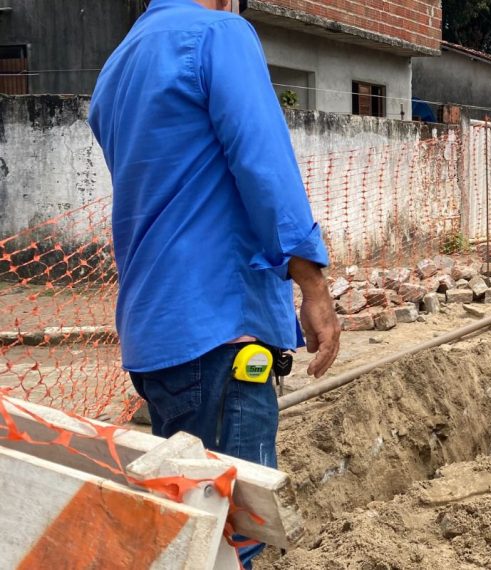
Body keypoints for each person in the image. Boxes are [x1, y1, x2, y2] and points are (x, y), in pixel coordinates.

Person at [88, 0, 340, 566]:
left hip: (156, 337)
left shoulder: (119, 64)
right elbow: (262, 162)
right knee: (229, 543)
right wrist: (313, 284)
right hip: (220, 330)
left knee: (190, 533)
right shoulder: (219, 34)